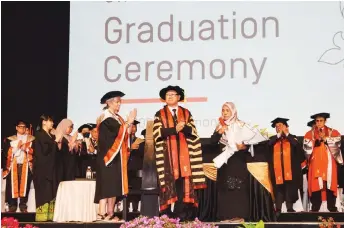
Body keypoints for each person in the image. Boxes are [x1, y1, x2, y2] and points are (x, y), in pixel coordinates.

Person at [153, 85, 206, 221]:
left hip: (185, 156)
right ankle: (168, 216)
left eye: (173, 94)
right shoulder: (160, 114)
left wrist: (185, 128)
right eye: (167, 95)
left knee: (184, 186)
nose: (170, 96)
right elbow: (157, 133)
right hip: (167, 157)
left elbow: (194, 132)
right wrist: (174, 129)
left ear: (178, 97)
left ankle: (183, 215)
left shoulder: (186, 113)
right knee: (169, 185)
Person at [211, 102, 267, 222]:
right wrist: (219, 133)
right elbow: (212, 142)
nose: (225, 113)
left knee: (238, 188)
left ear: (233, 111)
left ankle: (239, 215)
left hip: (238, 161)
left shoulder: (241, 125)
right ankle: (226, 216)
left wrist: (243, 147)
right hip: (224, 162)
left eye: (227, 110)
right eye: (223, 110)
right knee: (225, 188)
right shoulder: (219, 126)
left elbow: (251, 144)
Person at [94, 91, 137, 221]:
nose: (119, 104)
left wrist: (129, 124)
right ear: (108, 102)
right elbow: (117, 133)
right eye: (116, 101)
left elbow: (125, 134)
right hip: (108, 157)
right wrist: (128, 122)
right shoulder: (106, 118)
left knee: (113, 185)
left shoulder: (117, 118)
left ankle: (110, 213)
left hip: (116, 157)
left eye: (120, 102)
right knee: (106, 185)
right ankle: (102, 213)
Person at [303, 113, 343, 212]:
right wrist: (315, 140)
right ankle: (315, 207)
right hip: (316, 163)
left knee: (329, 184)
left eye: (321, 120)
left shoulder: (332, 132)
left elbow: (338, 142)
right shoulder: (310, 133)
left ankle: (332, 207)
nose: (319, 123)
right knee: (316, 184)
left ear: (325, 121)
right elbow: (305, 147)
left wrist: (326, 139)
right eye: (317, 121)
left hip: (329, 163)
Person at [268, 118, 306, 214]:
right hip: (277, 170)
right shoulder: (273, 139)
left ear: (286, 127)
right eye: (276, 126)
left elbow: (298, 149)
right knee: (278, 188)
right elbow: (268, 146)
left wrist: (287, 135)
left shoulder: (293, 138)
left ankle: (290, 207)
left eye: (280, 125)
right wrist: (278, 136)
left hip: (290, 170)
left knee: (290, 188)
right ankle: (278, 208)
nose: (278, 128)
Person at [2, 121, 34, 213]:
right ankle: (12, 205)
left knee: (25, 185)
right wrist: (15, 149)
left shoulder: (31, 139)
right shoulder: (10, 139)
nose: (22, 128)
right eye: (20, 127)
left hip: (26, 165)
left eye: (24, 127)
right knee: (12, 185)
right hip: (13, 165)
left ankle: (23, 205)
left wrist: (26, 148)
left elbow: (34, 152)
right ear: (16, 127)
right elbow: (5, 153)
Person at [33, 114, 60, 221]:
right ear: (43, 122)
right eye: (50, 121)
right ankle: (42, 218)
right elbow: (44, 151)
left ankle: (50, 216)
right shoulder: (39, 134)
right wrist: (55, 142)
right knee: (44, 192)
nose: (52, 123)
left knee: (51, 192)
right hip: (42, 170)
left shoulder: (51, 136)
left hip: (52, 168)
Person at [127, 128, 146, 212]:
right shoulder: (123, 141)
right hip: (125, 170)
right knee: (125, 192)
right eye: (131, 126)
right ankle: (125, 209)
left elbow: (143, 154)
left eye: (135, 127)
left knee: (136, 190)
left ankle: (135, 210)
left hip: (136, 170)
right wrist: (129, 148)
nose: (133, 128)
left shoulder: (140, 141)